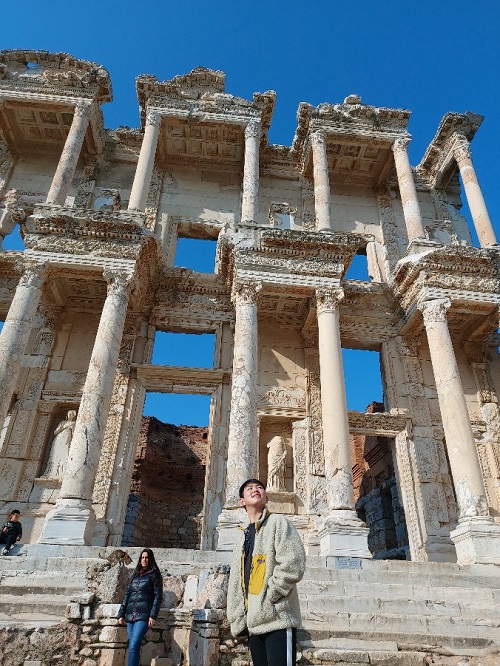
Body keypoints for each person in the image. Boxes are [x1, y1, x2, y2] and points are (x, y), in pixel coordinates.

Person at [227, 478, 306, 666]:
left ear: (266, 498)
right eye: (249, 488)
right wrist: (238, 616)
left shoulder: (278, 522)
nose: (255, 489)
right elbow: (238, 581)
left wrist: (271, 595)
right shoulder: (242, 537)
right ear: (242, 501)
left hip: (277, 619)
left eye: (259, 487)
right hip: (254, 624)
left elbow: (293, 562)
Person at [117, 548, 163, 666]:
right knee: (134, 646)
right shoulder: (135, 575)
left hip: (143, 616)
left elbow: (158, 596)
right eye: (142, 557)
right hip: (130, 616)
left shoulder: (155, 575)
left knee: (133, 645)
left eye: (146, 557)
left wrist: (153, 615)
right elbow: (127, 595)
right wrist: (121, 614)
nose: (144, 560)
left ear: (150, 559)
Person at [42, 409, 77, 478]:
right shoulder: (62, 423)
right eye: (69, 414)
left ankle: (63, 472)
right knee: (55, 454)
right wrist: (61, 428)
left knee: (65, 454)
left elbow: (74, 433)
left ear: (73, 416)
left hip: (67, 439)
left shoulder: (73, 423)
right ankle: (52, 472)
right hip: (59, 439)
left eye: (71, 414)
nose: (70, 415)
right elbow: (55, 432)